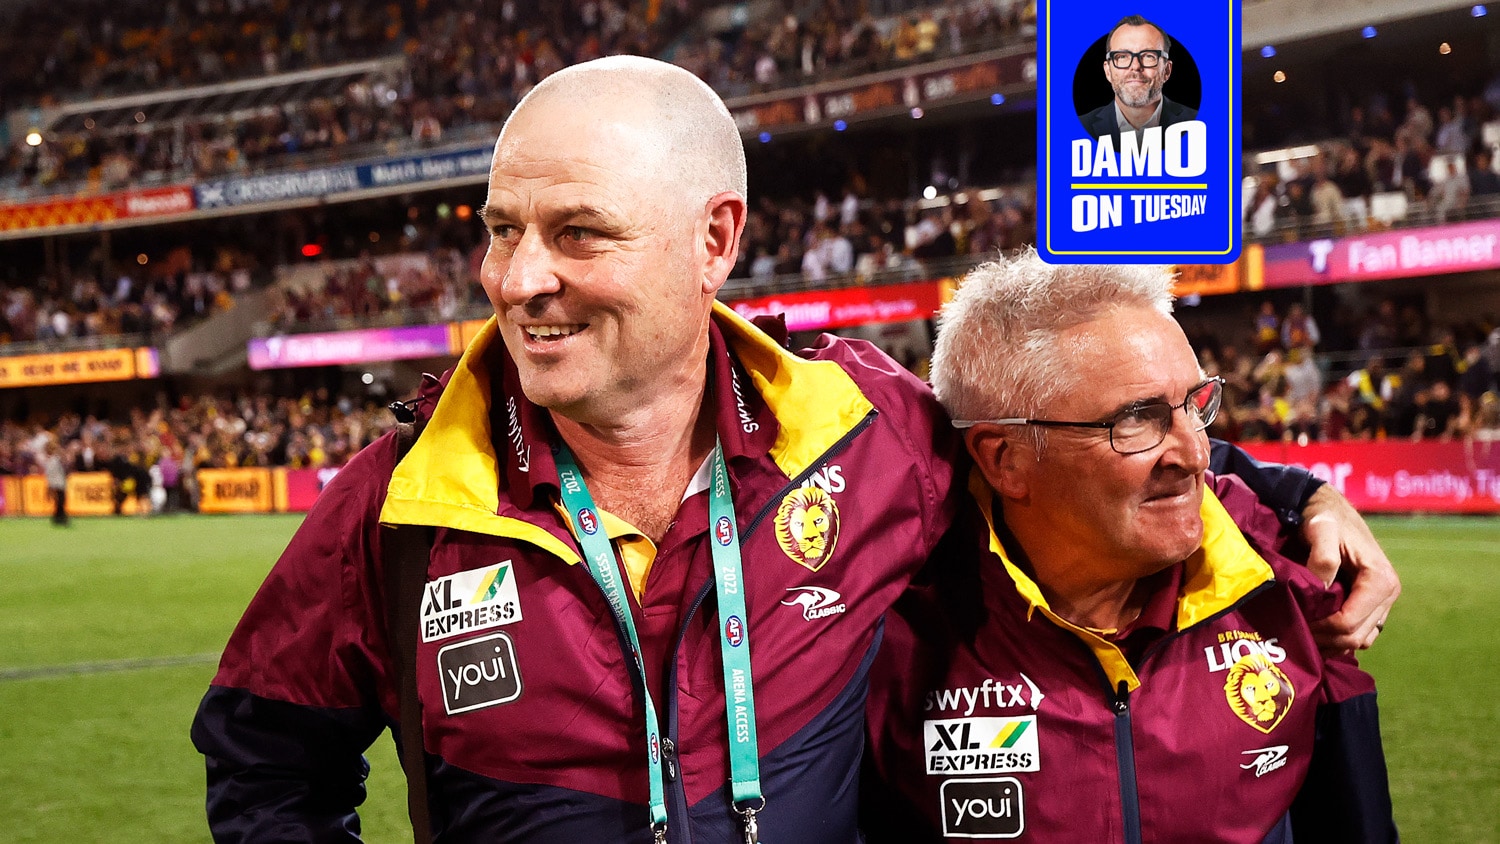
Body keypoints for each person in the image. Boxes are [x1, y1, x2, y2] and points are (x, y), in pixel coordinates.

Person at [192, 56, 1398, 843]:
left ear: (714, 240)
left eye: (579, 232)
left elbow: (1079, 444)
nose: (518, 278)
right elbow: (263, 761)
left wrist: (1299, 496)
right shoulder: (403, 500)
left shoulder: (867, 436)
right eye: (503, 229)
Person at [864, 252, 1397, 842]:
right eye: (1137, 419)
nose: (1195, 454)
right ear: (1005, 460)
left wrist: (1308, 494)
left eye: (1195, 405)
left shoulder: (1289, 573)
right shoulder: (888, 627)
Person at [1079, 15, 1198, 143]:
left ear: (1167, 70)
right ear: (1108, 71)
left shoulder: (1197, 125)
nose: (1135, 66)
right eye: (1122, 56)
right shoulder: (1081, 128)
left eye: (1148, 56)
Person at [43, 440, 69, 526]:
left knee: (60, 501)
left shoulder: (53, 459)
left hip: (59, 483)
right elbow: (50, 474)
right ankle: (60, 517)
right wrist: (50, 486)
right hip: (57, 484)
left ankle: (58, 517)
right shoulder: (53, 460)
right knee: (60, 501)